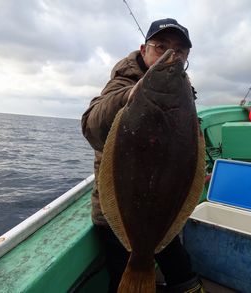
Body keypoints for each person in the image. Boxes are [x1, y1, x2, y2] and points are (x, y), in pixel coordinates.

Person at [81, 18, 203, 293]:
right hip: (122, 211)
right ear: (144, 49)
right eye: (161, 46)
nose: (172, 54)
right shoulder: (123, 81)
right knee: (122, 276)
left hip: (163, 208)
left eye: (180, 51)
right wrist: (127, 96)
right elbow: (91, 127)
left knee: (182, 270)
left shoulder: (182, 86)